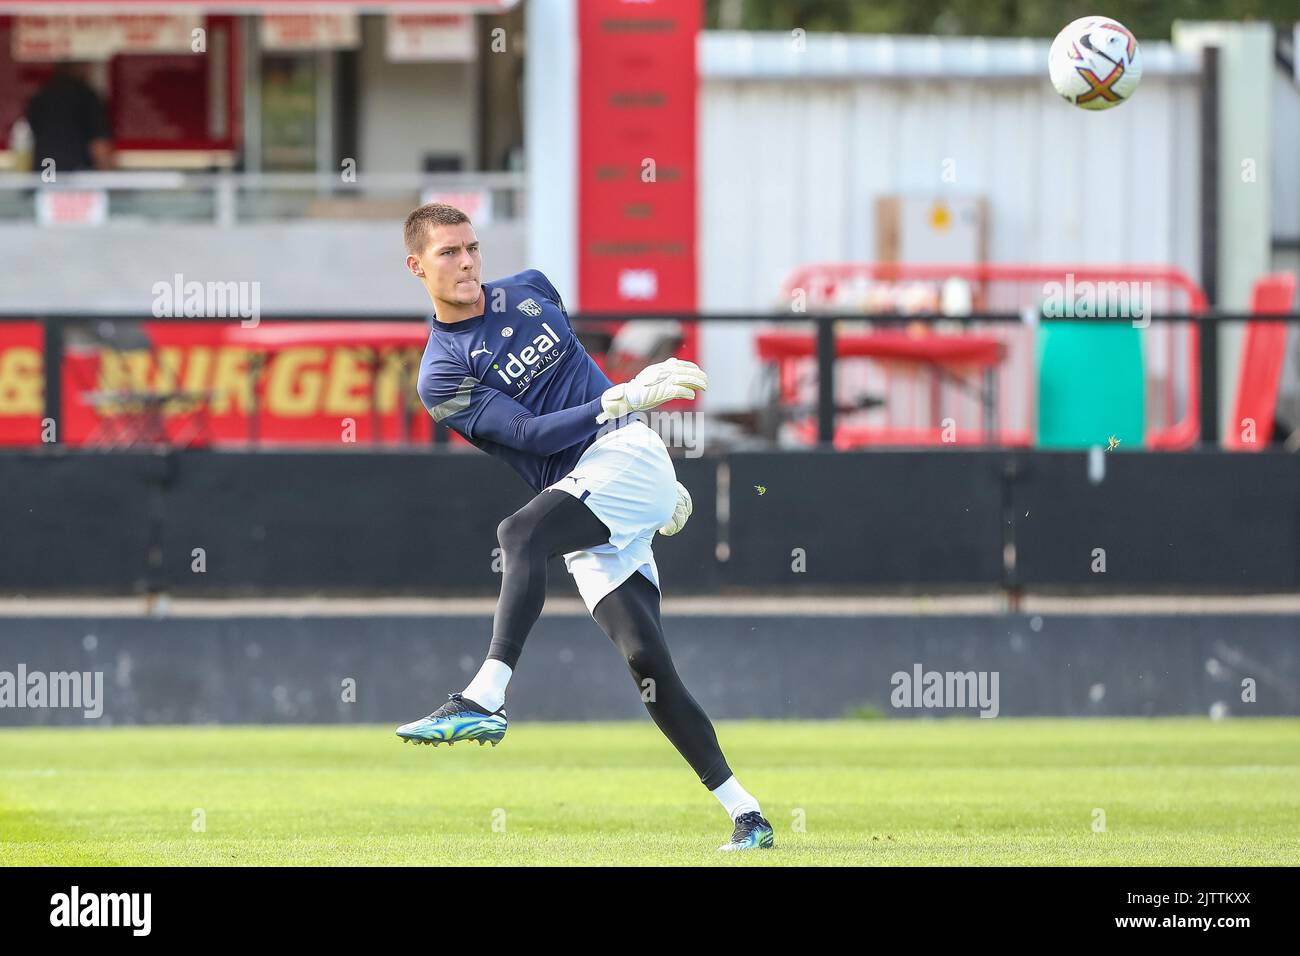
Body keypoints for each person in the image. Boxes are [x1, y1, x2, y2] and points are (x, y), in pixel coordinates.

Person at [396, 202, 774, 851]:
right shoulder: (442, 372)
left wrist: (634, 444)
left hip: (622, 454)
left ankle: (485, 696)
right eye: (447, 254)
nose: (466, 263)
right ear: (416, 266)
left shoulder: (533, 289)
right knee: (646, 662)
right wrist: (622, 398)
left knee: (519, 536)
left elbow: (577, 376)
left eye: (471, 248)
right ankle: (750, 817)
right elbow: (523, 431)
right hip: (590, 480)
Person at [25, 62, 114, 174]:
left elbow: (27, 141)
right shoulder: (86, 95)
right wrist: (111, 183)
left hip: (46, 176)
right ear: (83, 66)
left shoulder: (40, 95)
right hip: (77, 180)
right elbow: (100, 147)